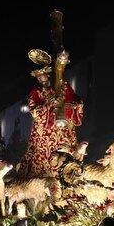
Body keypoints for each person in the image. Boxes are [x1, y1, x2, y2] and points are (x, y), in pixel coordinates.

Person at [18, 49, 83, 178]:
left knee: (66, 150)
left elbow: (75, 100)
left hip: (64, 127)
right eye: (39, 76)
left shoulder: (62, 85)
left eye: (43, 75)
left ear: (48, 74)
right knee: (43, 154)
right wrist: (49, 104)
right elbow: (34, 110)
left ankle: (69, 174)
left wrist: (74, 106)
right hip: (45, 130)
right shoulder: (36, 92)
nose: (42, 78)